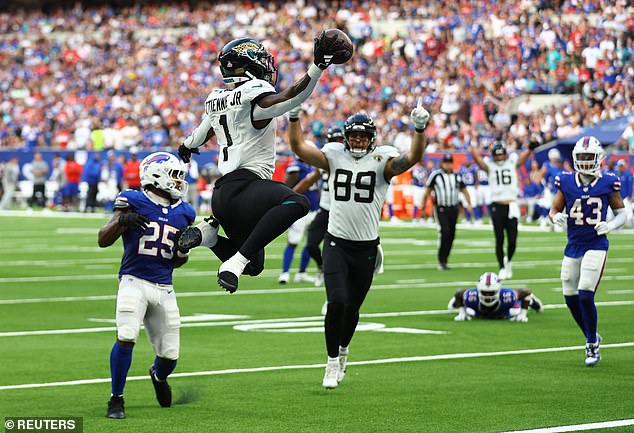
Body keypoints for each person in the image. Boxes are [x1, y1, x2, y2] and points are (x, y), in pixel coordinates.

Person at [176, 33, 348, 293]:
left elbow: (202, 133)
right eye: (261, 60)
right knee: (296, 202)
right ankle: (234, 263)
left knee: (255, 266)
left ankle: (209, 237)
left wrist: (187, 146)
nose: (267, 65)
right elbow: (290, 96)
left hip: (222, 197)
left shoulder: (217, 99)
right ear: (247, 64)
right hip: (245, 186)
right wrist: (317, 68)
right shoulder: (254, 96)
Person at [288, 98, 430, 389]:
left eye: (362, 136)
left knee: (352, 308)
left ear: (371, 138)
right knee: (336, 302)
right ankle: (329, 362)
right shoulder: (334, 155)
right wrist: (293, 118)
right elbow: (299, 148)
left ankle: (343, 352)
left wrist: (419, 128)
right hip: (336, 242)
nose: (357, 139)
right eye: (353, 135)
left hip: (366, 247)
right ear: (345, 136)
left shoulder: (383, 160)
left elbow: (413, 157)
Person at [97, 152, 195, 418]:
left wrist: (184, 250)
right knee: (127, 335)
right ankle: (116, 399)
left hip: (164, 287)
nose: (178, 181)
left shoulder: (185, 212)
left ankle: (158, 376)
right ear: (156, 174)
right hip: (133, 281)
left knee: (170, 355)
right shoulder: (133, 199)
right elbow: (103, 239)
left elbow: (175, 262)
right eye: (174, 175)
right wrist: (122, 220)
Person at [549, 136, 626, 367]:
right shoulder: (566, 181)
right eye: (580, 157)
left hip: (596, 243)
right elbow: (554, 209)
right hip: (573, 244)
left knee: (584, 294)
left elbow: (623, 213)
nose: (584, 161)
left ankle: (591, 344)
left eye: (588, 157)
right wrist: (556, 218)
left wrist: (610, 225)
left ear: (598, 158)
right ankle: (591, 334)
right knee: (569, 296)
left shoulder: (608, 182)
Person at [469, 142, 534, 279]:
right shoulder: (490, 166)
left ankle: (508, 261)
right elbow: (479, 161)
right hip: (497, 205)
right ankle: (502, 266)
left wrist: (530, 148)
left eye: (501, 154)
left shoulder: (512, 163)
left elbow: (523, 158)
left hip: (511, 204)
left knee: (512, 240)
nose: (499, 157)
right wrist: (473, 147)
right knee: (499, 238)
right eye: (497, 155)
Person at [293, 127, 345, 287]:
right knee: (311, 244)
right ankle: (322, 267)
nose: (337, 144)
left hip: (342, 213)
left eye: (339, 141)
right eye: (334, 141)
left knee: (340, 249)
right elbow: (309, 180)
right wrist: (290, 195)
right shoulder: (324, 161)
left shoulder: (350, 161)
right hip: (324, 210)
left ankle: (339, 275)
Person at [422, 153, 473, 270]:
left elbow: (464, 190)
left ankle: (445, 258)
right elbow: (428, 190)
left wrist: (469, 203)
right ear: (442, 163)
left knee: (451, 234)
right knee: (444, 232)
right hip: (441, 208)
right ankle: (441, 259)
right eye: (446, 162)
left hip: (453, 208)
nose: (448, 165)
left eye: (450, 162)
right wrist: (423, 206)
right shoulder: (436, 175)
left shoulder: (457, 176)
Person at [278, 152, 320, 284]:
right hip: (300, 211)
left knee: (311, 243)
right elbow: (288, 187)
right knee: (293, 241)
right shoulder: (295, 167)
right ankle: (285, 273)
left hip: (314, 210)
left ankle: (302, 272)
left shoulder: (313, 167)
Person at [449, 271, 544, 321]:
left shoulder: (507, 296)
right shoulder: (471, 296)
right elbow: (458, 293)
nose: (488, 296)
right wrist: (462, 312)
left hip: (504, 311)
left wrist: (523, 314)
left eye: (491, 293)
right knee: (451, 307)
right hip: (480, 311)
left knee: (518, 309)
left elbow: (525, 292)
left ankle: (533, 302)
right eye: (484, 292)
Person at [458, 158, 479, 224]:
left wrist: (476, 184)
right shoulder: (461, 169)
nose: (467, 162)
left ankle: (476, 218)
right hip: (464, 188)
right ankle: (467, 219)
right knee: (465, 204)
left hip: (471, 187)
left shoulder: (473, 168)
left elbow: (476, 177)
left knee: (473, 203)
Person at [615, 159, 633, 226]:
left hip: (626, 198)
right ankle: (619, 226)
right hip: (617, 198)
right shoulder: (616, 175)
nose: (620, 168)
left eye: (622, 166)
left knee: (629, 214)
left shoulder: (628, 174)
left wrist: (630, 195)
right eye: (619, 166)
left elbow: (630, 186)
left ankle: (631, 227)